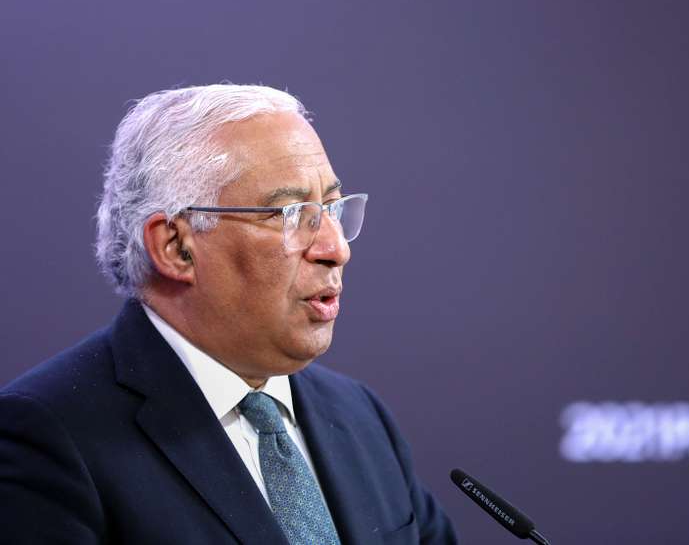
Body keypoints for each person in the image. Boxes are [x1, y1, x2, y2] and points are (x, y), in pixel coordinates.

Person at [0, 84, 457, 544]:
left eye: (332, 207)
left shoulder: (360, 416)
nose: (335, 248)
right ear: (176, 247)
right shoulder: (47, 438)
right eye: (289, 214)